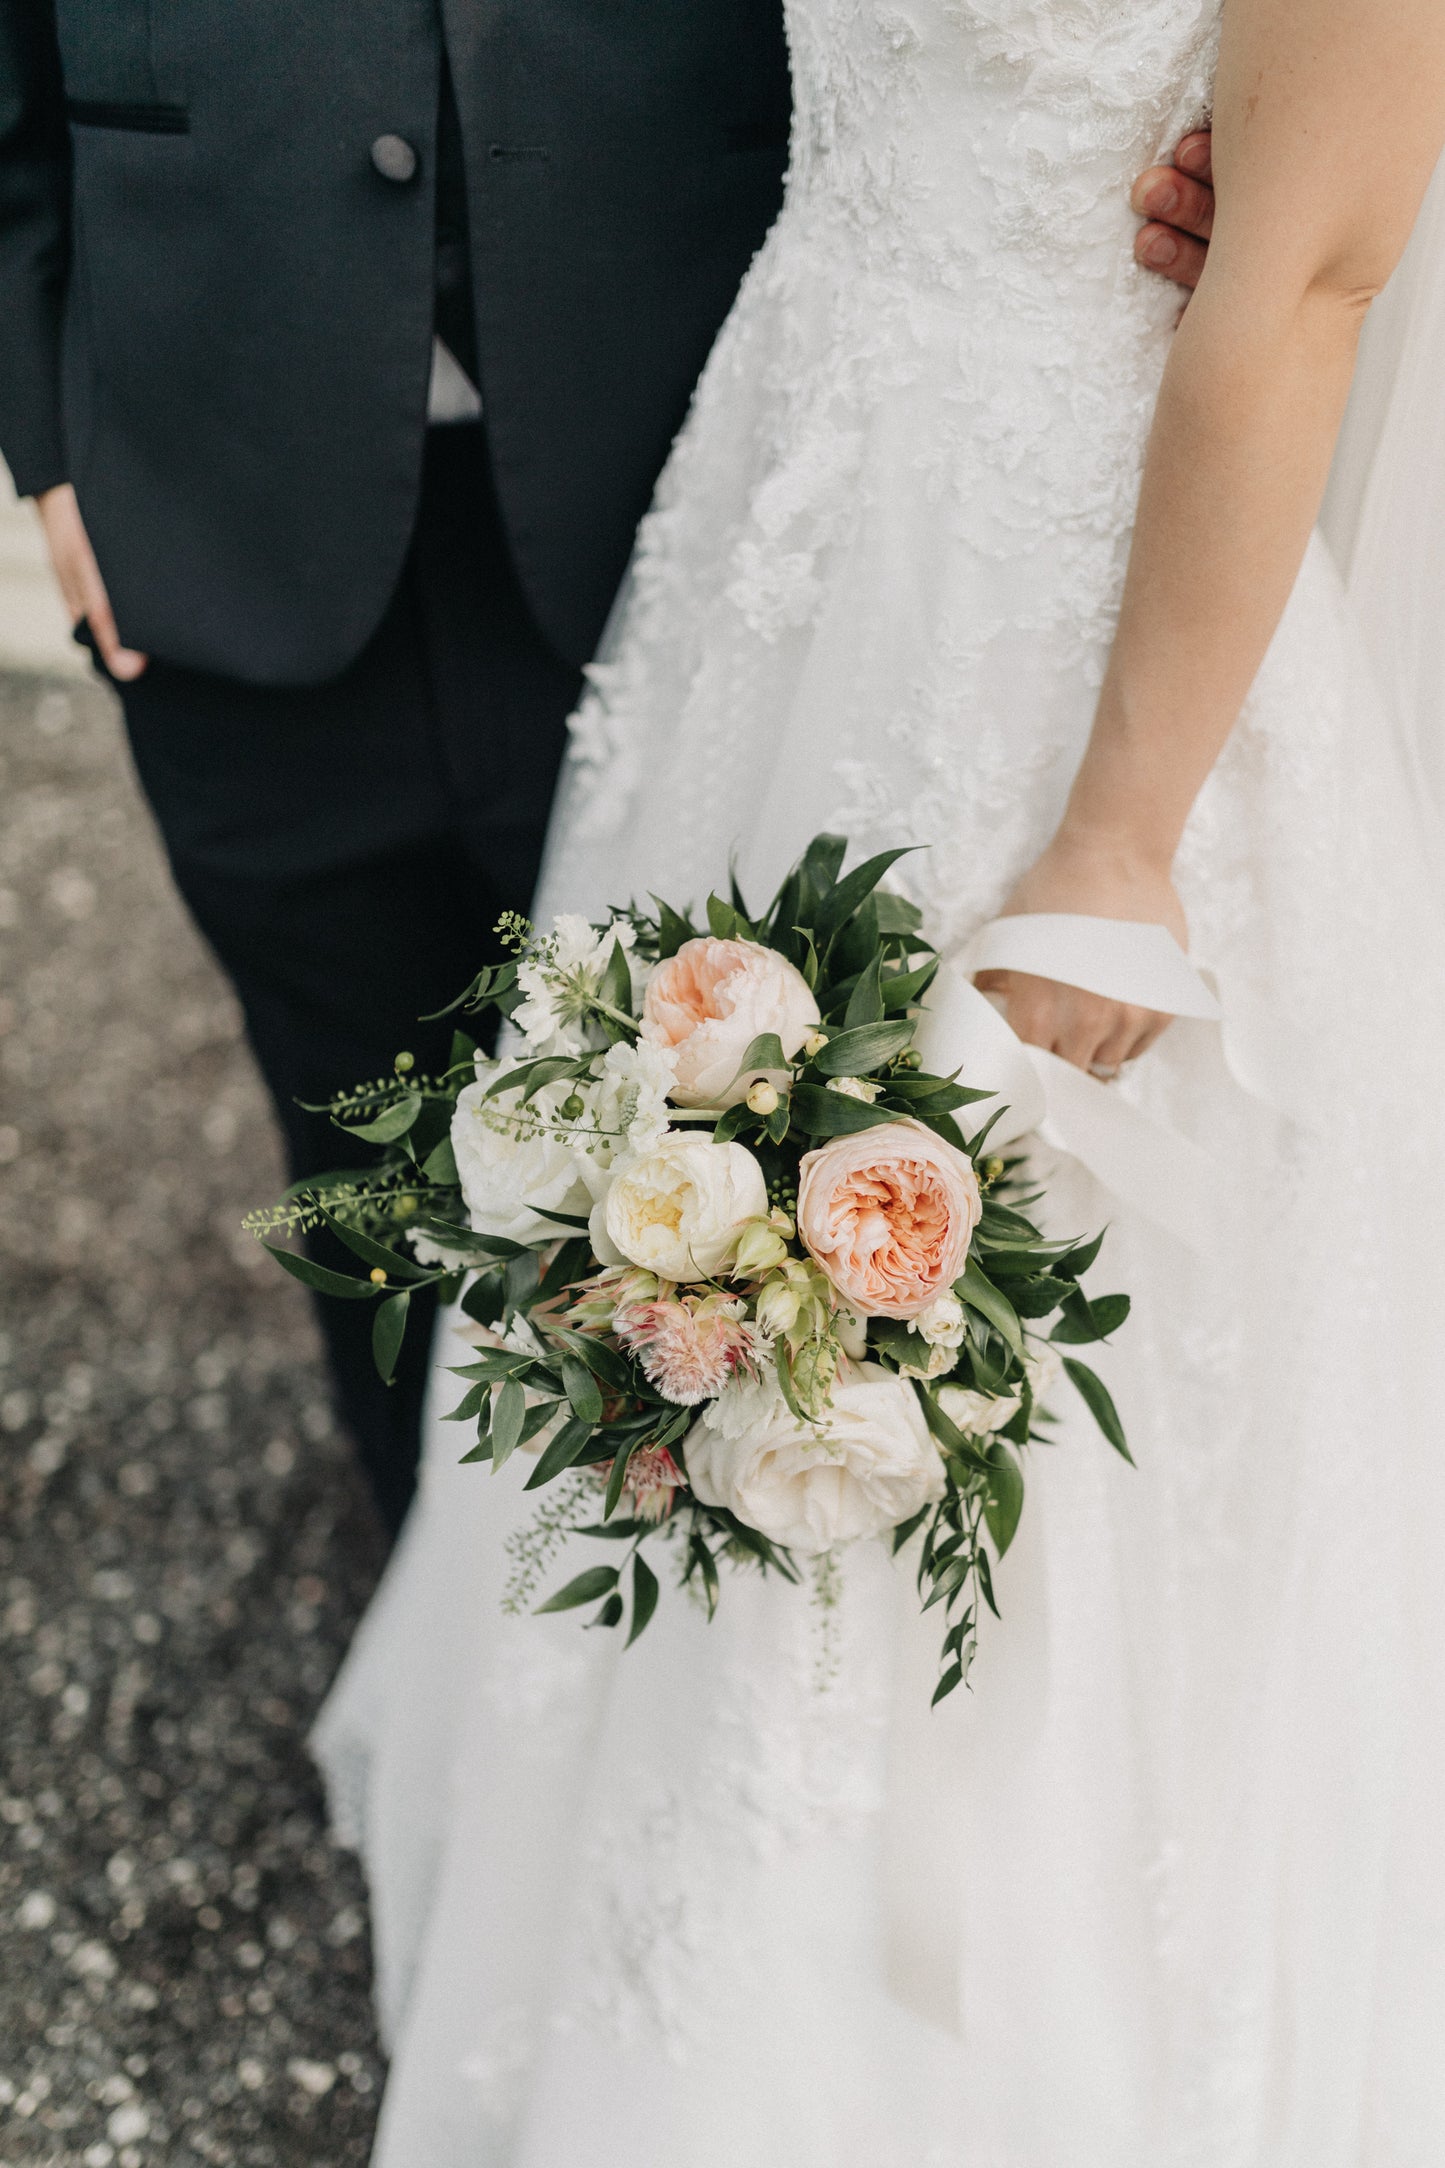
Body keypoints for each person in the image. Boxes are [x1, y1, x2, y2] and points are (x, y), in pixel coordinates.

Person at [313, 0, 1445, 2161]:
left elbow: (1308, 266)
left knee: (997, 1350)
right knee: (692, 1229)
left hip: (1081, 615)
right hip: (806, 509)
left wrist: (1117, 843)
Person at [0, 2, 791, 1534]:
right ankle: (431, 1605)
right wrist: (47, 435)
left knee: (727, 1165)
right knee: (360, 1155)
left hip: (679, 504)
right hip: (216, 505)